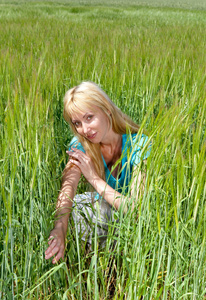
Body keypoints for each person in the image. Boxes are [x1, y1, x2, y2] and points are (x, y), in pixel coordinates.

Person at [45, 81, 151, 264]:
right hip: (104, 224)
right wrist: (59, 228)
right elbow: (67, 189)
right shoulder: (80, 145)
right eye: (77, 123)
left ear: (107, 110)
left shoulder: (139, 144)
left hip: (136, 230)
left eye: (89, 118)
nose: (84, 130)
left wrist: (94, 178)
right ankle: (90, 269)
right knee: (77, 206)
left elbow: (137, 210)